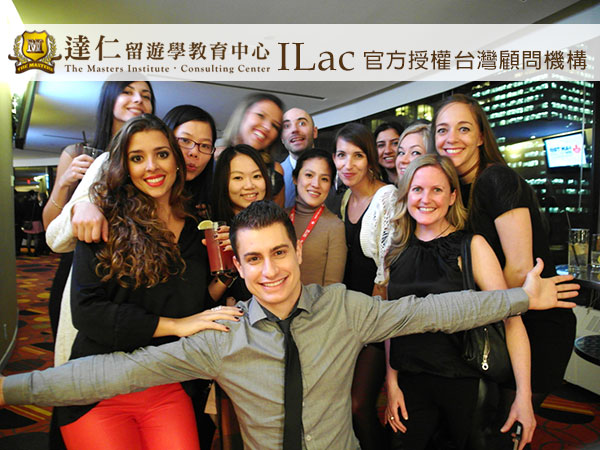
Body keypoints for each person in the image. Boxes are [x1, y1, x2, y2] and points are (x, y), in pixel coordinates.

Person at [0, 201, 578, 450]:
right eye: (253, 259)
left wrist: (518, 300)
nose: (270, 270)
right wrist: (12, 390)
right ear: (239, 265)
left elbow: (431, 312)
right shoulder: (221, 336)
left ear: (297, 252)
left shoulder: (344, 309)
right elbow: (115, 373)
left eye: (279, 253)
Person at [53, 114, 242, 450]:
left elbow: (192, 306)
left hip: (165, 383)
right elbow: (87, 313)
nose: (152, 167)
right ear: (125, 167)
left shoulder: (194, 229)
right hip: (99, 384)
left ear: (176, 161)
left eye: (162, 154)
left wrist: (227, 271)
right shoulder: (103, 221)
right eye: (137, 158)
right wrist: (175, 326)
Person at [430, 93, 577, 413]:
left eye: (464, 128)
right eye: (442, 130)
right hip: (498, 321)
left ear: (481, 137)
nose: (451, 138)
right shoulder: (454, 190)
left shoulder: (496, 179)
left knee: (501, 426)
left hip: (535, 324)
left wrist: (470, 310)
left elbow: (519, 269)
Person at [382, 155, 534, 450]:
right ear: (406, 194)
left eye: (437, 190)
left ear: (452, 196)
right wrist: (391, 382)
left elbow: (511, 321)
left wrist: (523, 395)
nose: (426, 199)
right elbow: (390, 322)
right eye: (417, 189)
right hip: (411, 383)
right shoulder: (396, 250)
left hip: (466, 385)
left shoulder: (472, 246)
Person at [334, 122, 396, 449]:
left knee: (359, 403)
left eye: (357, 155)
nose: (348, 164)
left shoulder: (386, 197)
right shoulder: (346, 198)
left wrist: (369, 324)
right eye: (341, 155)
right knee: (344, 403)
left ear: (370, 159)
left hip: (376, 318)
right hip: (348, 315)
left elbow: (387, 270)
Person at [211, 144, 272, 302]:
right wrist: (230, 267)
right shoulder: (214, 232)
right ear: (223, 182)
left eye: (256, 176)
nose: (249, 185)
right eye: (238, 178)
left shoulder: (276, 226)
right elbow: (204, 300)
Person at [289, 148, 346, 285]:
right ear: (295, 178)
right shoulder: (279, 218)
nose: (316, 184)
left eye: (324, 179)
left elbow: (332, 288)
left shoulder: (335, 227)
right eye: (309, 175)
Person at [221, 93, 285, 207]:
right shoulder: (213, 160)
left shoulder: (274, 172)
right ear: (243, 115)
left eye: (275, 125)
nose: (267, 127)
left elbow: (278, 215)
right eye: (261, 116)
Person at [281, 107, 318, 207]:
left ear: (314, 132)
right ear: (282, 138)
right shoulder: (273, 176)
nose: (294, 130)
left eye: (302, 123)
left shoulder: (337, 172)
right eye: (287, 126)